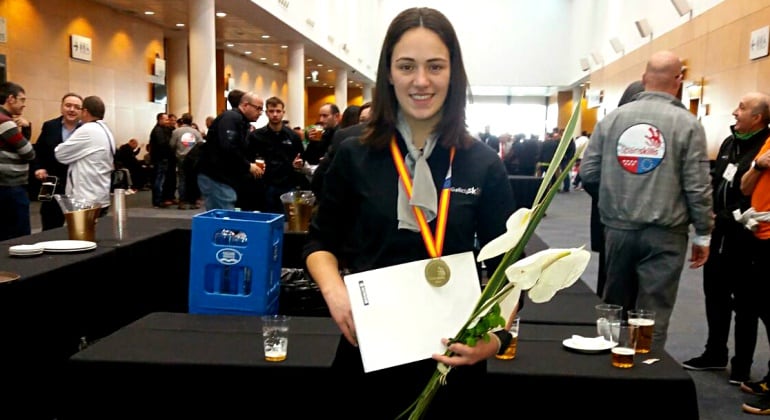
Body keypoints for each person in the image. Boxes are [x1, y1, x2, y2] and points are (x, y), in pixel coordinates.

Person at [302, 8, 515, 417]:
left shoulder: (482, 163)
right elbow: (320, 241)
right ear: (389, 74)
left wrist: (497, 337)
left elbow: (510, 267)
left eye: (435, 66)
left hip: (453, 360)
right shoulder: (354, 154)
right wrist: (335, 293)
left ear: (453, 73)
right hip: (368, 350)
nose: (421, 81)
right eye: (407, 66)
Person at [579, 51, 713, 350]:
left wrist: (614, 199)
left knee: (614, 306)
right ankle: (646, 374)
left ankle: (606, 367)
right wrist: (703, 233)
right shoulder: (689, 125)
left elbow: (588, 173)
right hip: (666, 233)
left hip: (617, 229)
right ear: (679, 80)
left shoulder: (611, 120)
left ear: (643, 78)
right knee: (653, 313)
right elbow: (698, 185)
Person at [682, 92, 769, 385]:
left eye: (741, 108)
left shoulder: (765, 147)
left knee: (746, 304)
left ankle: (741, 365)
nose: (734, 112)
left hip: (749, 235)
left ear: (757, 117)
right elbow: (719, 181)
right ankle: (714, 353)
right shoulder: (731, 143)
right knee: (714, 295)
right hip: (719, 231)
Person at [584, 80, 644, 298]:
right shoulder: (610, 128)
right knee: (612, 284)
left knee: (618, 285)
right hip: (613, 220)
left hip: (618, 219)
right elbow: (589, 175)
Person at [738, 96, 770, 415]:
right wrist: (759, 165)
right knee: (764, 309)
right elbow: (747, 186)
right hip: (760, 237)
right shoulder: (767, 144)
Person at [197, 91, 263, 210]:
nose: (260, 113)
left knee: (225, 212)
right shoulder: (231, 118)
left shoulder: (240, 121)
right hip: (215, 176)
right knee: (224, 216)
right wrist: (248, 165)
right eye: (258, 108)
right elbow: (228, 147)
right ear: (245, 105)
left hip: (222, 177)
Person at [31, 92, 83, 230]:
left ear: (82, 111)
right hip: (51, 182)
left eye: (77, 107)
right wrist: (38, 168)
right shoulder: (49, 126)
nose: (72, 109)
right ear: (61, 107)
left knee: (79, 227)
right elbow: (38, 151)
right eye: (68, 105)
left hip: (77, 184)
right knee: (49, 224)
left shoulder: (86, 129)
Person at [54, 95, 115, 213]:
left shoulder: (87, 129)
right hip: (101, 195)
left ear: (85, 111)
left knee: (82, 231)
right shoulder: (106, 130)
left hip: (85, 199)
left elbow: (60, 154)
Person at [246, 96, 306, 213]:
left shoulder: (293, 136)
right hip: (265, 185)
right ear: (266, 113)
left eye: (278, 111)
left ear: (283, 113)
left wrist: (299, 164)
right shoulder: (256, 136)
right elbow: (249, 159)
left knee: (288, 221)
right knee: (267, 218)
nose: (275, 114)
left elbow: (301, 158)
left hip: (288, 184)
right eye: (271, 111)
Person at [0, 81, 36, 240]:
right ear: (11, 99)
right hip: (11, 187)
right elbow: (29, 153)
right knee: (20, 237)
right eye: (22, 100)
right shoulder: (5, 122)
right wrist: (27, 128)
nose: (24, 105)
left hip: (5, 186)